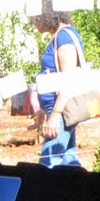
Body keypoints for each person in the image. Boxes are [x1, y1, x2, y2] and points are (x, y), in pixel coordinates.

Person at [32, 9, 86, 168]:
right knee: (69, 163)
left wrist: (55, 115)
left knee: (47, 165)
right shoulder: (59, 36)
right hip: (58, 110)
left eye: (35, 18)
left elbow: (68, 81)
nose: (33, 23)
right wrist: (43, 110)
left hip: (62, 112)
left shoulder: (64, 38)